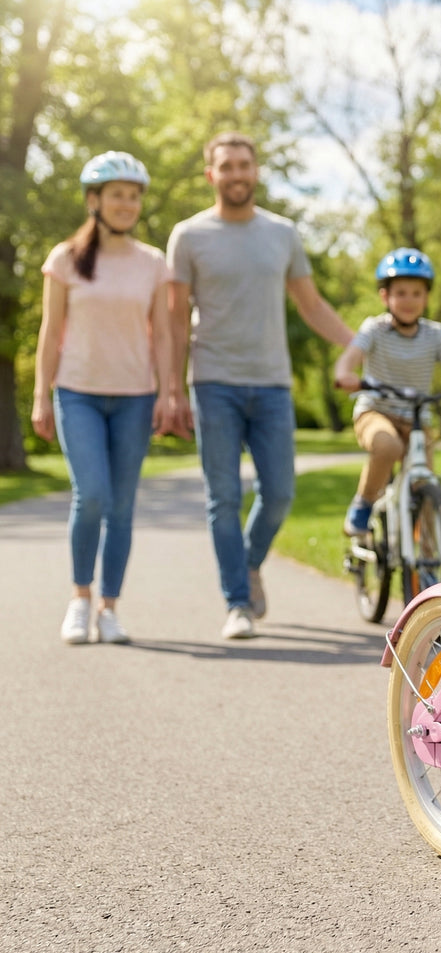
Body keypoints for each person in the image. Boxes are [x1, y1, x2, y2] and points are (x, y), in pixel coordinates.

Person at [167, 131, 354, 640]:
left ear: (255, 171)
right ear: (212, 175)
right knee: (223, 497)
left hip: (271, 383)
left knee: (279, 495)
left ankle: (247, 565)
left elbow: (311, 305)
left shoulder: (282, 233)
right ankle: (238, 602)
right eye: (225, 166)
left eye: (243, 165)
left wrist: (358, 345)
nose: (236, 174)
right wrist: (172, 389)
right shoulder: (188, 236)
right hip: (213, 382)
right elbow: (175, 319)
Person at [31, 151, 175, 645]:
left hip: (135, 396)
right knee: (90, 494)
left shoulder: (153, 263)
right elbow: (51, 334)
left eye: (133, 196)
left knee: (121, 506)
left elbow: (162, 336)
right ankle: (79, 597)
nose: (126, 204)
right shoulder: (65, 259)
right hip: (78, 393)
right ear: (95, 200)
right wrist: (41, 396)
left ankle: (109, 608)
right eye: (117, 194)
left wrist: (168, 390)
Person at [333, 247, 441, 535]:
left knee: (426, 484)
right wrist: (345, 374)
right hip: (376, 411)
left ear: (426, 297)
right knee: (387, 446)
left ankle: (430, 562)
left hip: (417, 418)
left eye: (416, 293)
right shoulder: (374, 329)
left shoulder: (435, 334)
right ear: (385, 296)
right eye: (401, 293)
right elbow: (349, 359)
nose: (409, 300)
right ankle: (364, 502)